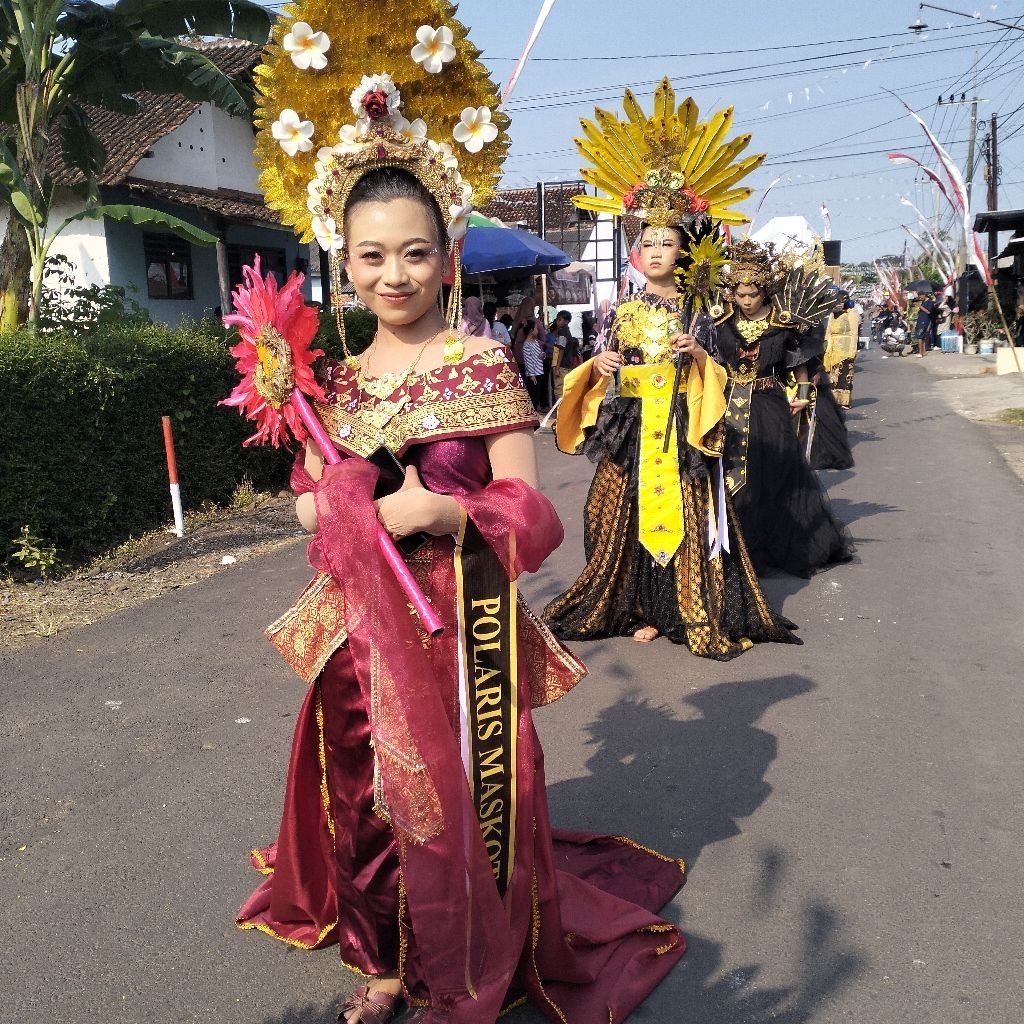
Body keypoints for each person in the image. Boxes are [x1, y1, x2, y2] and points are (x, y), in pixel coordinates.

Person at [238, 13, 686, 1024]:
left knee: (472, 806)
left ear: (448, 255)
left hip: (462, 631)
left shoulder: (480, 364)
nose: (392, 275)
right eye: (369, 257)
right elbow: (306, 498)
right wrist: (327, 501)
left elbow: (531, 509)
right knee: (365, 803)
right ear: (342, 262)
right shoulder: (329, 382)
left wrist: (444, 509)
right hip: (360, 635)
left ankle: (472, 958)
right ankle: (382, 962)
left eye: (414, 253)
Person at [541, 81, 801, 655]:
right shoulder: (620, 307)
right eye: (648, 241)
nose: (657, 250)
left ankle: (678, 607)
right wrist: (601, 364)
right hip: (633, 423)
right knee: (614, 513)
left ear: (683, 249)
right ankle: (634, 603)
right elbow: (603, 362)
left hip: (680, 426)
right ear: (638, 250)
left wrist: (699, 354)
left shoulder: (699, 309)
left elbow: (721, 370)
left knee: (686, 513)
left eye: (667, 241)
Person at [715, 239, 854, 578]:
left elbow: (798, 362)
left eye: (753, 294)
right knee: (730, 471)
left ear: (765, 290)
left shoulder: (783, 322)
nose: (747, 301)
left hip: (769, 404)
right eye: (740, 294)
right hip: (727, 403)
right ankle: (734, 542)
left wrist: (803, 393)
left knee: (774, 470)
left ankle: (773, 540)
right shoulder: (721, 321)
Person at [823, 290, 858, 408]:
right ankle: (834, 400)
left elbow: (854, 333)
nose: (840, 304)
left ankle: (844, 402)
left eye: (843, 301)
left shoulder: (851, 314)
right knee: (833, 376)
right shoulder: (832, 315)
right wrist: (826, 348)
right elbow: (828, 332)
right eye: (838, 301)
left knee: (844, 376)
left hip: (846, 350)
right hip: (833, 350)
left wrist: (852, 351)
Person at [519, 317, 546, 410]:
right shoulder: (526, 344)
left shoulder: (536, 342)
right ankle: (533, 410)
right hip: (533, 374)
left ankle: (535, 409)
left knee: (537, 393)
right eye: (536, 328)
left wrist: (543, 355)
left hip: (539, 371)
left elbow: (539, 355)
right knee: (533, 394)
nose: (537, 330)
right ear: (531, 330)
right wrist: (532, 375)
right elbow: (528, 361)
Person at [913, 290, 938, 357]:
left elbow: (928, 312)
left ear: (924, 295)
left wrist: (920, 306)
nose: (920, 298)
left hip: (925, 321)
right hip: (920, 320)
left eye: (920, 296)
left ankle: (920, 353)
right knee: (923, 337)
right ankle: (923, 352)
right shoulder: (923, 302)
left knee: (920, 337)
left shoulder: (930, 302)